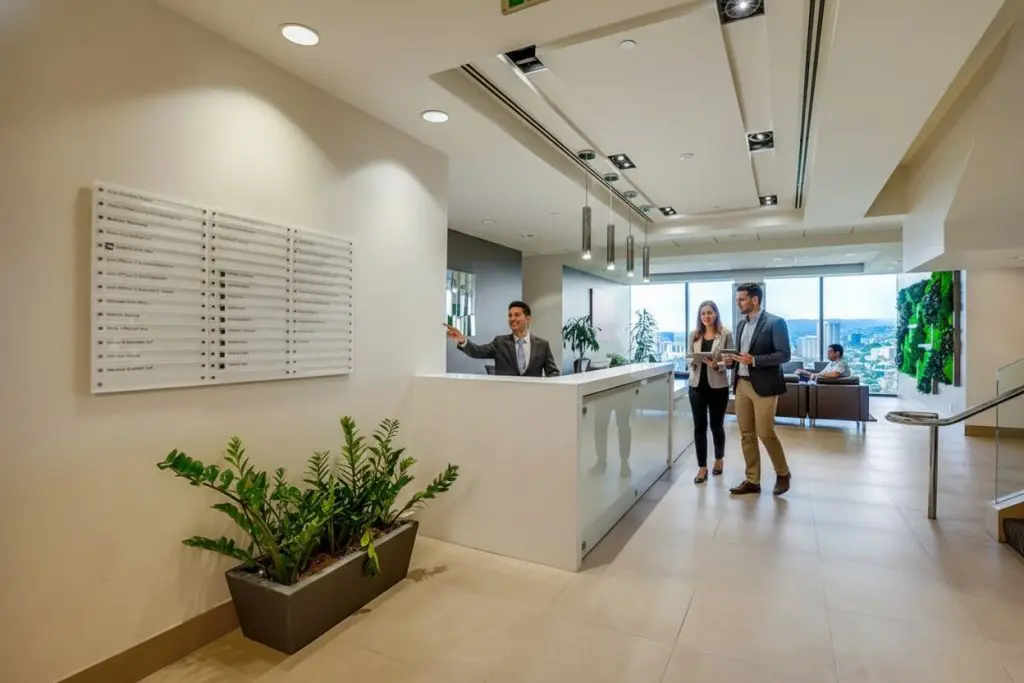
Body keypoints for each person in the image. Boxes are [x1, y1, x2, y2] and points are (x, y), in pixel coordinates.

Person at [725, 283, 793, 496]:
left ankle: (783, 473)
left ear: (755, 300)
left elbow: (784, 355)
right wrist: (731, 361)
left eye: (741, 299)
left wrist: (755, 360)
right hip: (742, 383)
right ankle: (752, 479)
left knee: (765, 432)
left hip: (764, 386)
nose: (738, 303)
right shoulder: (740, 324)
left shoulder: (775, 322)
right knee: (746, 434)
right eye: (737, 300)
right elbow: (741, 354)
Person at [444, 300, 560, 377]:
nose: (512, 318)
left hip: (533, 398)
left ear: (527, 319)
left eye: (517, 315)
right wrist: (462, 340)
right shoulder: (500, 343)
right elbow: (477, 352)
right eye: (510, 315)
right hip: (504, 397)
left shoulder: (542, 345)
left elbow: (553, 373)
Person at [686, 301, 733, 484]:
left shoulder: (725, 334)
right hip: (696, 386)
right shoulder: (693, 335)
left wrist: (717, 365)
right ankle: (702, 467)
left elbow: (730, 360)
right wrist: (692, 361)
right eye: (703, 313)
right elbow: (689, 356)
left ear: (716, 314)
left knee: (716, 425)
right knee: (699, 427)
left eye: (709, 313)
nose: (706, 316)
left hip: (718, 387)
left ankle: (719, 459)